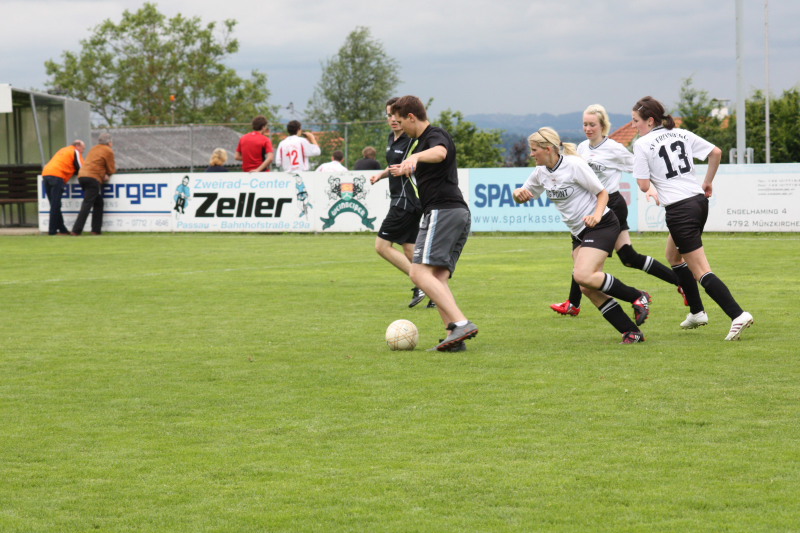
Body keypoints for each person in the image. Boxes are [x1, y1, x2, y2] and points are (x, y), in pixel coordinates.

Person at [513, 127, 652, 344]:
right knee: (586, 286)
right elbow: (524, 194)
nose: (531, 154)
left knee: (583, 275)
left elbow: (602, 193)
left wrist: (596, 215)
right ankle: (631, 332)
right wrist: (517, 194)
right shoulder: (540, 172)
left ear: (548, 149)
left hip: (602, 223)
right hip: (579, 232)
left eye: (534, 150)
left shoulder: (574, 165)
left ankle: (637, 296)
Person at [631, 96, 753, 341]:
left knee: (701, 271)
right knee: (673, 256)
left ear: (650, 120)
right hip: (698, 202)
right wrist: (707, 182)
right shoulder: (681, 133)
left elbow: (643, 184)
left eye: (636, 121)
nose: (633, 125)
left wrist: (653, 184)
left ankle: (738, 314)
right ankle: (697, 312)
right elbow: (716, 152)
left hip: (680, 210)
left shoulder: (642, 144)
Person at [550, 104, 686, 316]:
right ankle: (682, 283)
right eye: (585, 124)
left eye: (592, 124)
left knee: (584, 259)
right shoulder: (582, 148)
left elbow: (638, 167)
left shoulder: (614, 148)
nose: (588, 128)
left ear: (603, 126)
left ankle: (575, 303)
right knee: (629, 257)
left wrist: (652, 187)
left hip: (611, 205)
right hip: (592, 206)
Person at [390, 95, 477, 352]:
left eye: (400, 121)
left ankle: (461, 323)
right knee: (438, 277)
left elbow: (440, 153)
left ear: (411, 117)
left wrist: (416, 158)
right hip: (454, 212)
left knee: (418, 273)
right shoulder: (422, 143)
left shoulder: (434, 136)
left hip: (443, 211)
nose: (399, 127)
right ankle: (454, 337)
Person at [370, 97, 431, 309]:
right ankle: (436, 288)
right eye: (389, 115)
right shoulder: (392, 138)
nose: (393, 119)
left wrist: (408, 168)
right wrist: (381, 175)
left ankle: (422, 284)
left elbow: (416, 164)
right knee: (409, 248)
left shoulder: (411, 140)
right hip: (402, 199)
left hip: (407, 201)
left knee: (382, 246)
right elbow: (395, 166)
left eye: (396, 116)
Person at [71, 132, 115, 236]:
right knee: (87, 203)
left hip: (82, 176)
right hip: (93, 178)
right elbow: (111, 168)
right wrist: (107, 174)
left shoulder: (94, 149)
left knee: (98, 202)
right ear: (109, 142)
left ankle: (96, 230)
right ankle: (76, 230)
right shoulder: (108, 150)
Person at [41, 140, 85, 235]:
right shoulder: (75, 151)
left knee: (54, 204)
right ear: (77, 146)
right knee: (55, 205)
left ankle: (62, 229)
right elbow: (81, 167)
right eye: (83, 149)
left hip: (46, 174)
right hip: (57, 176)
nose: (83, 151)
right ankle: (52, 231)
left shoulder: (63, 150)